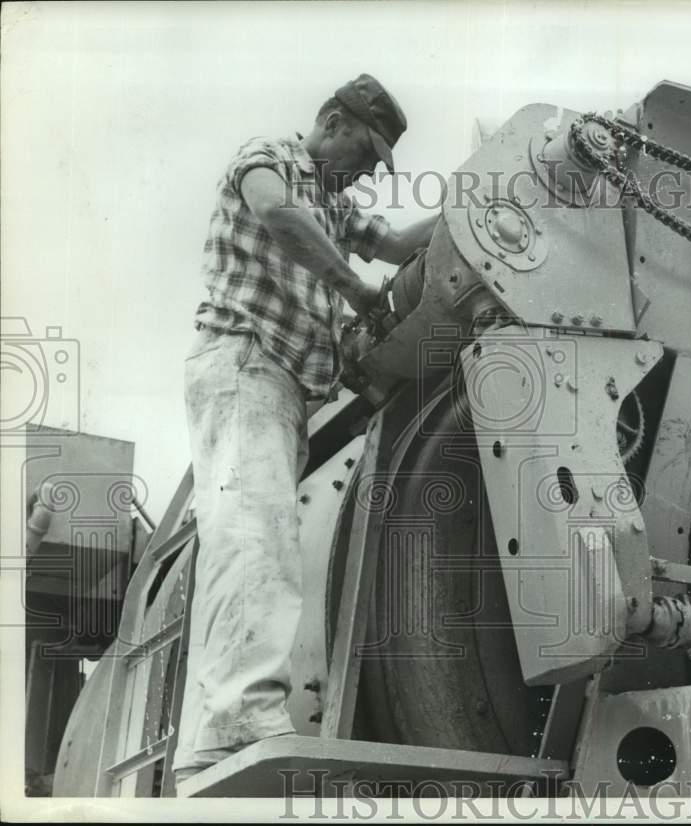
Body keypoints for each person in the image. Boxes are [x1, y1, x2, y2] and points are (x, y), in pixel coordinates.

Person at [173, 74, 437, 784]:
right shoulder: (273, 158)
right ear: (332, 120)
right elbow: (279, 217)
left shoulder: (334, 202)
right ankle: (235, 720)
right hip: (244, 363)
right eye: (366, 150)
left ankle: (216, 728)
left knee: (251, 540)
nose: (366, 170)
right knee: (254, 534)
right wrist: (354, 291)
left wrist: (474, 204)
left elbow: (397, 245)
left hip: (285, 388)